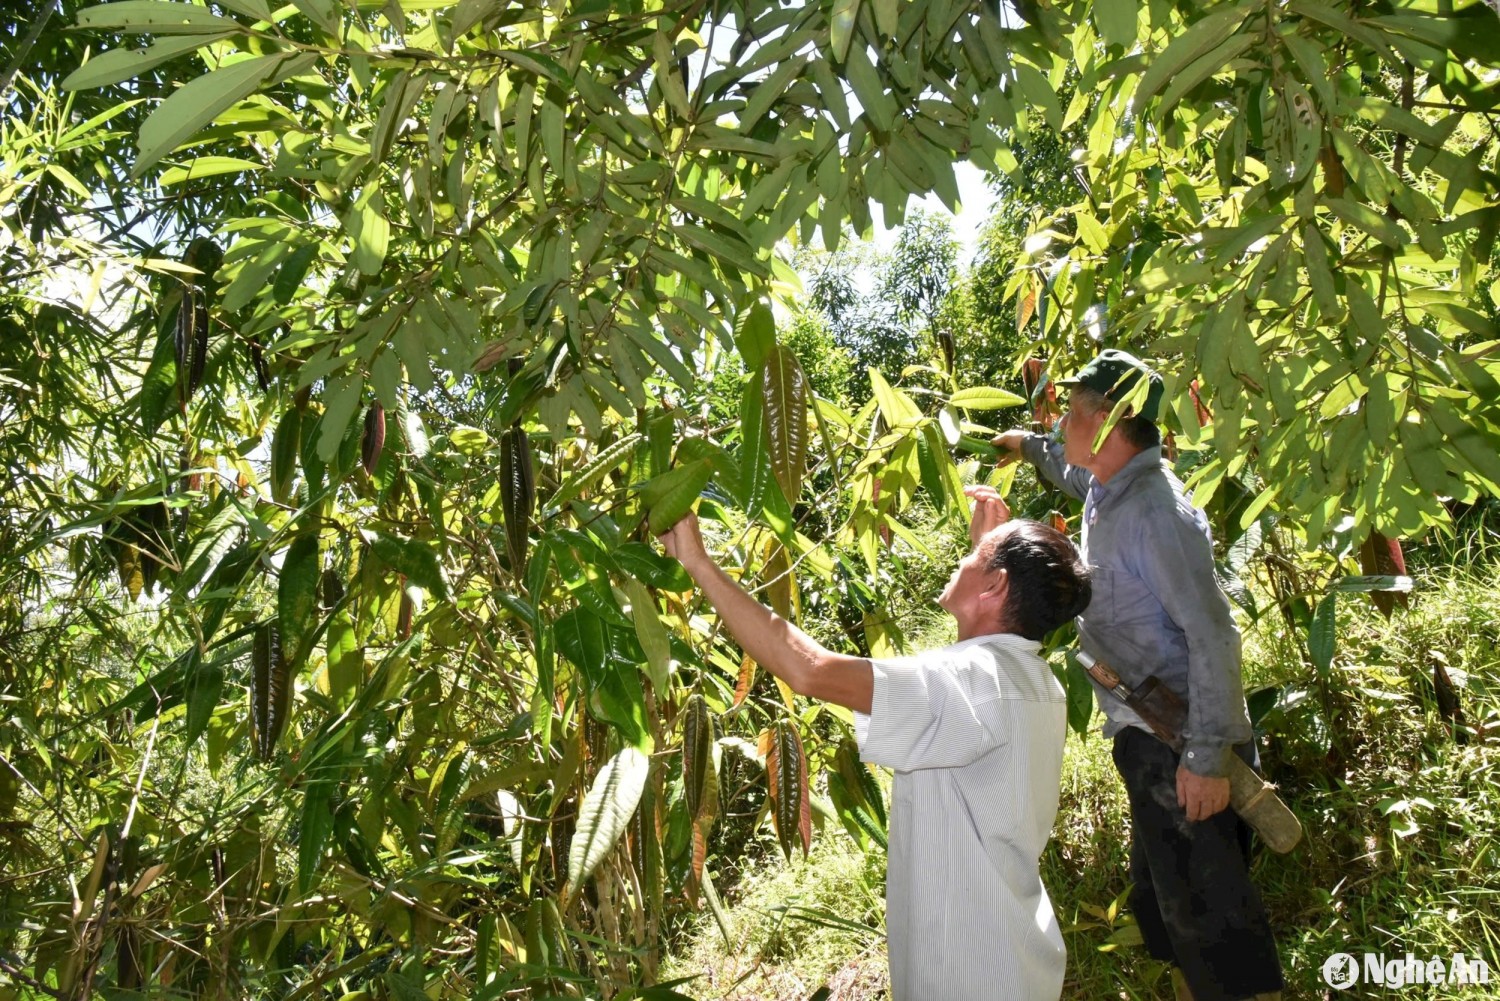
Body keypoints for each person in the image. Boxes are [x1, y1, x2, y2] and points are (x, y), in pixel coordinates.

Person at [657, 501, 1091, 1000]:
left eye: (976, 558)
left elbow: (810, 670)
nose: (963, 559)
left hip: (969, 971)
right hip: (1011, 955)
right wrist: (989, 554)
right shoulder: (1030, 679)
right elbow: (979, 650)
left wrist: (699, 563)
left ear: (995, 587)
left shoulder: (972, 684)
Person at [992, 348, 1283, 1001]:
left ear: (1108, 421)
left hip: (1182, 734)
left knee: (1211, 912)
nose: (1063, 421)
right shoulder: (1109, 483)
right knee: (1168, 896)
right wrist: (1024, 445)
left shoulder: (1156, 513)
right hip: (1146, 732)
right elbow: (1069, 468)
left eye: (1072, 411)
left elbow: (1214, 635)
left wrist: (1207, 758)